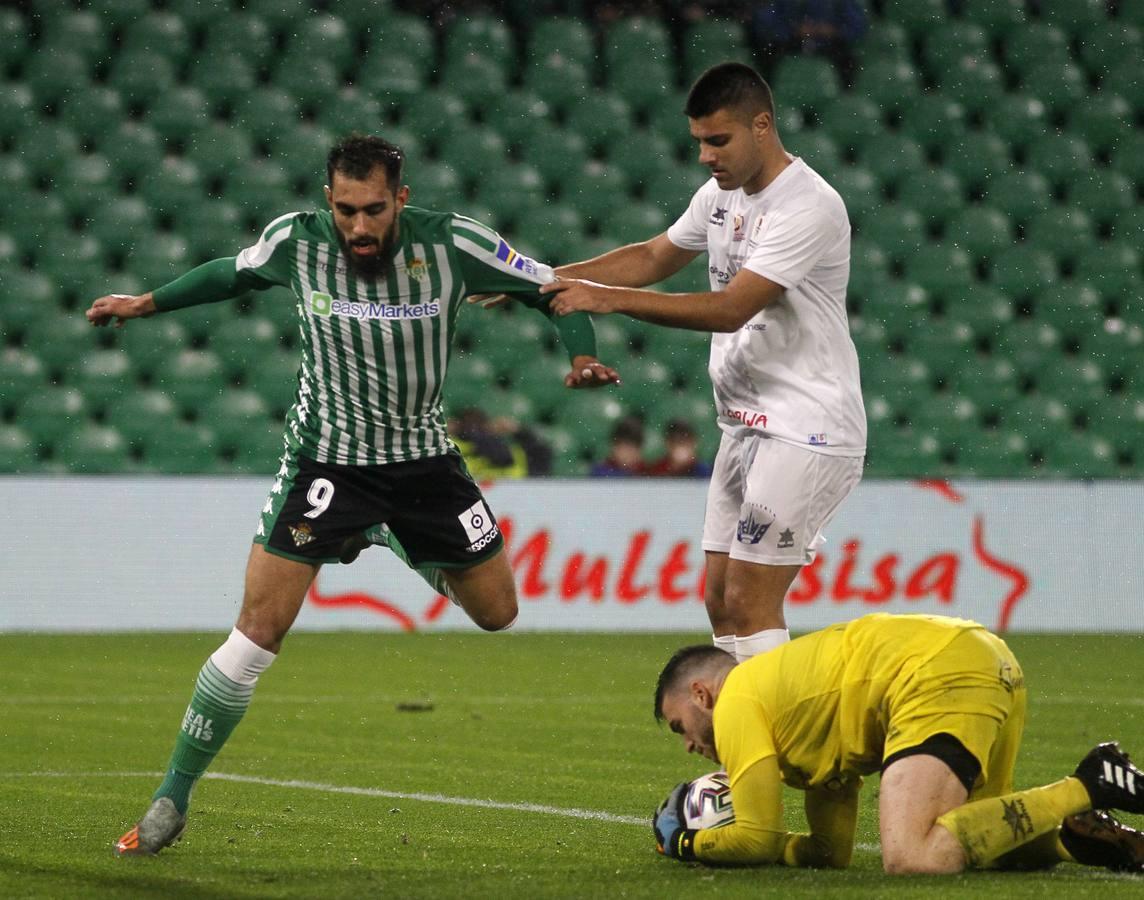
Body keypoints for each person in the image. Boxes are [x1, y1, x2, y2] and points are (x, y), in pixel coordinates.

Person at [87, 133, 619, 856]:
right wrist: (145, 303)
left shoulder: (454, 243)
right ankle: (170, 800)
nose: (359, 228)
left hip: (424, 463)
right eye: (345, 211)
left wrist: (581, 354)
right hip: (326, 467)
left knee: (498, 612)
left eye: (373, 210)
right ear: (326, 200)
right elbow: (229, 274)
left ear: (400, 198)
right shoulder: (294, 244)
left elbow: (551, 288)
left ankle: (390, 533)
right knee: (257, 630)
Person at [544, 62, 866, 662]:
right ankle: (743, 749)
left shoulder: (809, 205)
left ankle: (775, 752)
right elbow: (650, 256)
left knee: (750, 600)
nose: (705, 157)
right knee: (720, 602)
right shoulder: (718, 196)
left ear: (762, 126)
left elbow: (730, 309)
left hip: (807, 426)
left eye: (718, 140)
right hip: (743, 425)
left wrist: (605, 300)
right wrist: (545, 279)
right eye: (698, 142)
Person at [651, 612, 1144, 874]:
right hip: (980, 657)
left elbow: (755, 839)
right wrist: (792, 850)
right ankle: (1071, 839)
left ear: (702, 694)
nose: (690, 747)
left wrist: (686, 841)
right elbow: (831, 851)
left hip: (932, 673)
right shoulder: (791, 719)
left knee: (913, 857)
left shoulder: (736, 701)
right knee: (983, 839)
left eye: (680, 728)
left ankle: (1090, 781)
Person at [644, 419, 713, 477]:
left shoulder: (706, 472)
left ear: (694, 443)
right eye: (677, 442)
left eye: (685, 443)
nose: (681, 448)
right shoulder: (656, 471)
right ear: (668, 444)